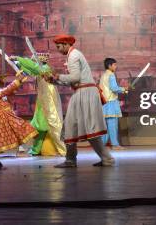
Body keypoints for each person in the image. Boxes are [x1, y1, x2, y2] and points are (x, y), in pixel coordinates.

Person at [46, 34, 115, 168]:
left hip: (85, 93)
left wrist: (57, 75)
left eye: (59, 46)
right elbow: (75, 81)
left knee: (84, 127)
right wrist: (54, 80)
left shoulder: (73, 55)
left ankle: (73, 160)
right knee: (77, 127)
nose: (58, 49)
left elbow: (75, 77)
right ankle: (102, 159)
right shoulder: (73, 55)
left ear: (66, 44)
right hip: (83, 92)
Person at [16, 53, 66, 156]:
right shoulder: (40, 69)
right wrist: (18, 64)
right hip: (42, 98)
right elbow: (31, 70)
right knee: (40, 125)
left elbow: (34, 68)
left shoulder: (45, 68)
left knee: (53, 122)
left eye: (34, 61)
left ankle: (64, 149)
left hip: (49, 98)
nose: (33, 62)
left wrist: (19, 58)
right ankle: (35, 149)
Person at [0, 73, 37, 154]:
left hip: (7, 114)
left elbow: (8, 91)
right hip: (3, 116)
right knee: (19, 127)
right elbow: (7, 90)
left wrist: (19, 82)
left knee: (15, 130)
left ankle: (22, 146)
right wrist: (17, 81)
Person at [99, 58, 128, 150]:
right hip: (111, 102)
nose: (116, 66)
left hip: (104, 102)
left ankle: (102, 145)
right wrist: (124, 89)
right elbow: (114, 88)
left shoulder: (104, 75)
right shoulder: (111, 75)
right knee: (112, 124)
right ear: (109, 66)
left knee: (107, 126)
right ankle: (115, 145)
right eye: (114, 65)